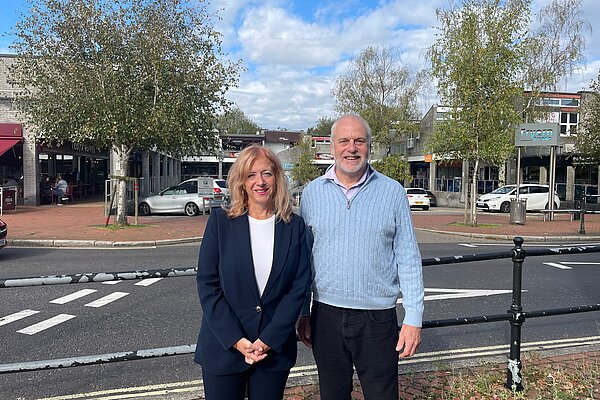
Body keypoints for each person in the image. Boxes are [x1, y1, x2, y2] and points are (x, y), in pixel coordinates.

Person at [297, 114, 425, 400]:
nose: (351, 148)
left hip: (377, 319)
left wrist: (413, 318)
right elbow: (304, 259)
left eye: (359, 141)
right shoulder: (312, 194)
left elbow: (407, 256)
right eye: (344, 141)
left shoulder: (392, 192)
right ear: (332, 146)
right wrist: (303, 311)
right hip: (325, 316)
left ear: (369, 146)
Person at [195, 145, 311, 400]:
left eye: (267, 174)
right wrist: (237, 340)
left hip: (272, 351)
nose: (260, 182)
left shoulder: (295, 227)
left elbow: (298, 288)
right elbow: (207, 285)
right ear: (241, 182)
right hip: (223, 349)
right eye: (251, 175)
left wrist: (267, 340)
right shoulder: (220, 223)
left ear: (277, 178)